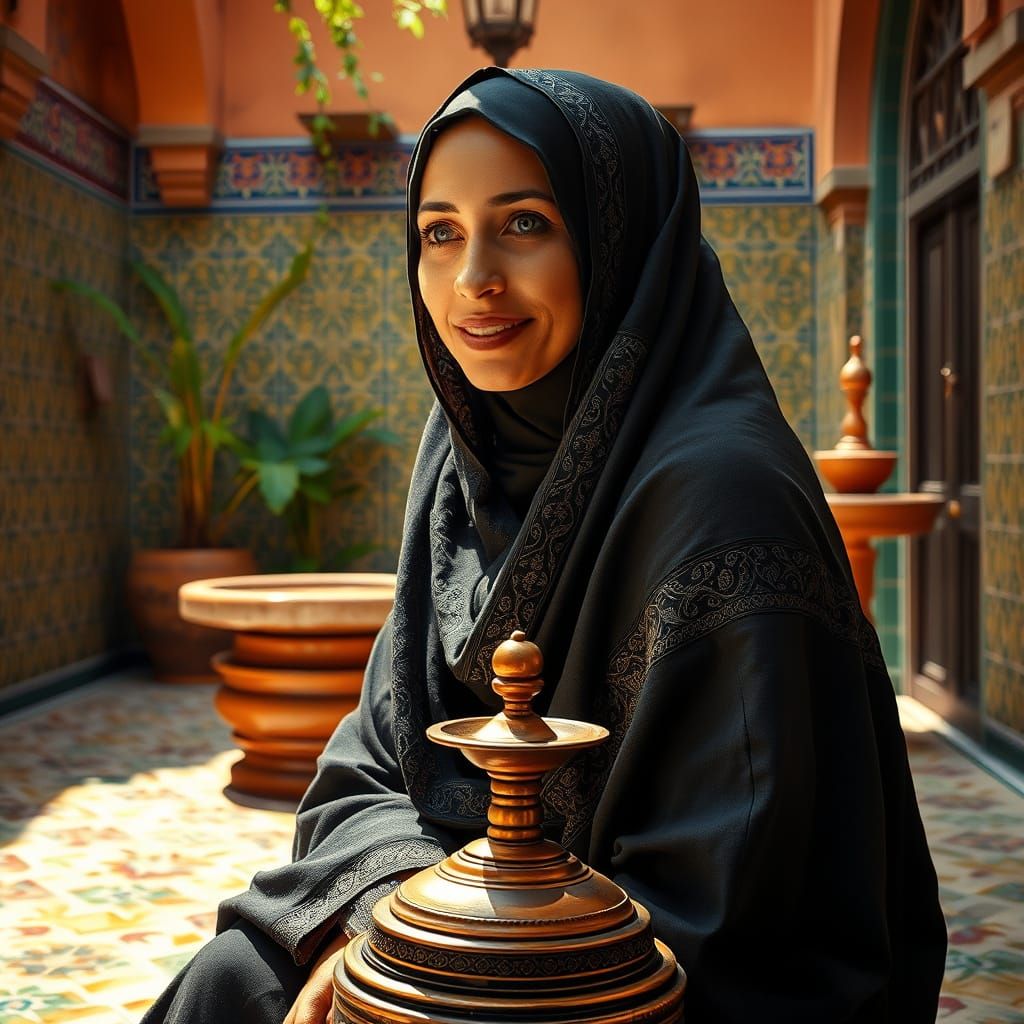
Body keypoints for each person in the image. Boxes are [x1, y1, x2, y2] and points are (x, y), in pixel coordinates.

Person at [141, 68, 947, 1024]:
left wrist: (428, 973)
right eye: (438, 233)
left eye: (524, 222)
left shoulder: (724, 501)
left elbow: (734, 908)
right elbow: (370, 761)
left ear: (615, 243)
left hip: (642, 984)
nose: (474, 277)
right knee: (236, 980)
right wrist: (371, 927)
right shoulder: (463, 451)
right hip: (445, 919)